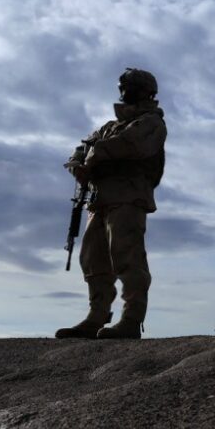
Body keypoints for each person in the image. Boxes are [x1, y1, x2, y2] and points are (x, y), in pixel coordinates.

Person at [56, 68, 167, 340]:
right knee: (93, 260)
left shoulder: (151, 122)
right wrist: (80, 166)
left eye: (128, 87)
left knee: (127, 256)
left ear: (144, 91)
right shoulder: (109, 127)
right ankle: (96, 316)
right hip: (100, 199)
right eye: (122, 86)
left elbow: (129, 145)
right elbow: (80, 151)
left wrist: (94, 156)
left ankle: (131, 319)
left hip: (128, 196)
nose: (123, 91)